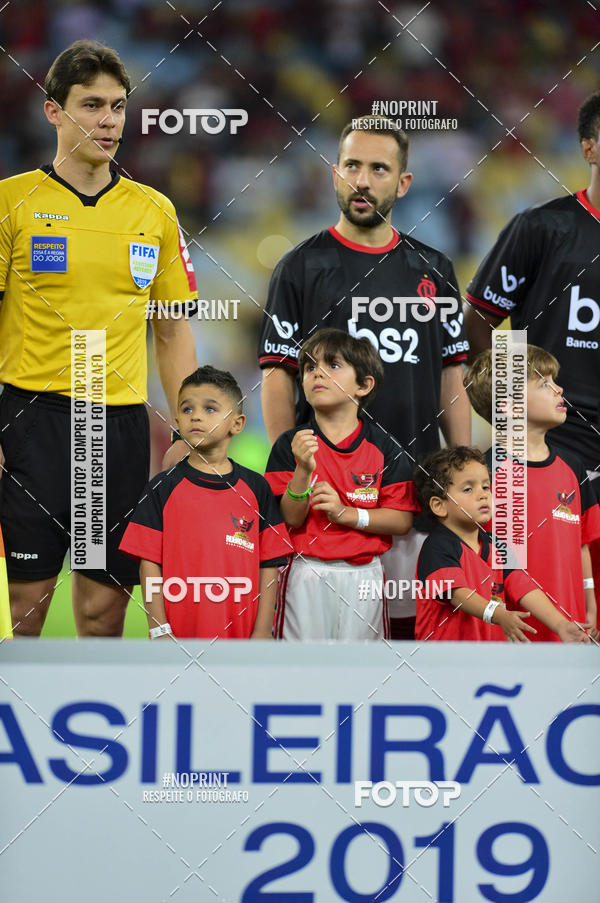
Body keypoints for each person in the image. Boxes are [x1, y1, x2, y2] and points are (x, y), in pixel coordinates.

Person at [0, 40, 198, 637]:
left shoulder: (154, 211)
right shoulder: (11, 203)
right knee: (27, 606)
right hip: (29, 420)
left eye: (118, 107)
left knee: (101, 610)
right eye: (92, 106)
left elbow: (171, 331)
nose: (109, 121)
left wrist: (190, 428)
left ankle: (95, 728)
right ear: (53, 111)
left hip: (112, 426)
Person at [258, 116, 471, 638]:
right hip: (332, 503)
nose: (362, 180)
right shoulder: (300, 267)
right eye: (352, 165)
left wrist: (461, 473)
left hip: (419, 494)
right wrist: (292, 468)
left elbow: (452, 375)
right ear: (335, 173)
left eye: (379, 168)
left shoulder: (434, 269)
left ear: (402, 183)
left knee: (414, 638)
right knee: (328, 645)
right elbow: (278, 376)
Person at [464, 91, 600, 624]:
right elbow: (479, 321)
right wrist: (510, 407)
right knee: (530, 596)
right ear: (589, 146)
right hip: (550, 447)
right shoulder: (542, 229)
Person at [265, 328, 418, 640]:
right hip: (304, 572)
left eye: (332, 365)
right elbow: (290, 519)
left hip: (366, 575)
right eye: (309, 367)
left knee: (363, 678)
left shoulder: (385, 448)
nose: (317, 374)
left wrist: (346, 513)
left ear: (364, 385)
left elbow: (401, 520)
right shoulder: (290, 444)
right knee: (300, 676)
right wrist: (303, 473)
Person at [120, 366, 292, 640]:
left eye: (210, 408)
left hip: (242, 642)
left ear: (237, 423)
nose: (196, 415)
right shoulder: (161, 488)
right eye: (187, 410)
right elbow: (149, 566)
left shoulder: (257, 489)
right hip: (177, 641)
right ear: (177, 421)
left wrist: (262, 631)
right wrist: (158, 627)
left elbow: (269, 566)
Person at [465, 345, 600, 641]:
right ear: (510, 406)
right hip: (515, 638)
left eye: (555, 380)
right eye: (544, 383)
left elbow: (583, 544)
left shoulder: (573, 467)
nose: (559, 388)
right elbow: (494, 562)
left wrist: (591, 608)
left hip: (573, 631)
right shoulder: (482, 476)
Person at [414, 447, 589, 643]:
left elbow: (524, 588)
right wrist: (498, 615)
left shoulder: (497, 546)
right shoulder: (437, 546)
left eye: (486, 486)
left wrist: (560, 625)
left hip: (491, 664)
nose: (483, 495)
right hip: (443, 666)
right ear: (439, 505)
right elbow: (457, 594)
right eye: (468, 489)